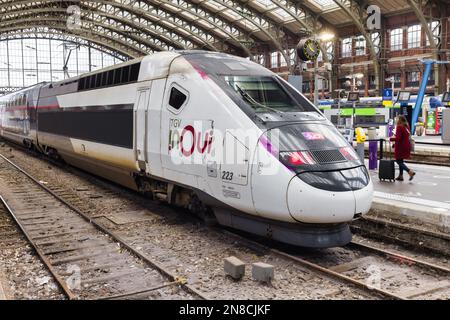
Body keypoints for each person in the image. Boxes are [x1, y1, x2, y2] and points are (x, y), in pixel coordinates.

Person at [390, 115, 416, 181]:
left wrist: (391, 139)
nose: (396, 120)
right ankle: (400, 176)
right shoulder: (407, 126)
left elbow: (398, 138)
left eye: (397, 119)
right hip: (406, 145)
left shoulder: (399, 127)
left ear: (399, 120)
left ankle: (409, 171)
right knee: (401, 160)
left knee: (398, 161)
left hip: (400, 146)